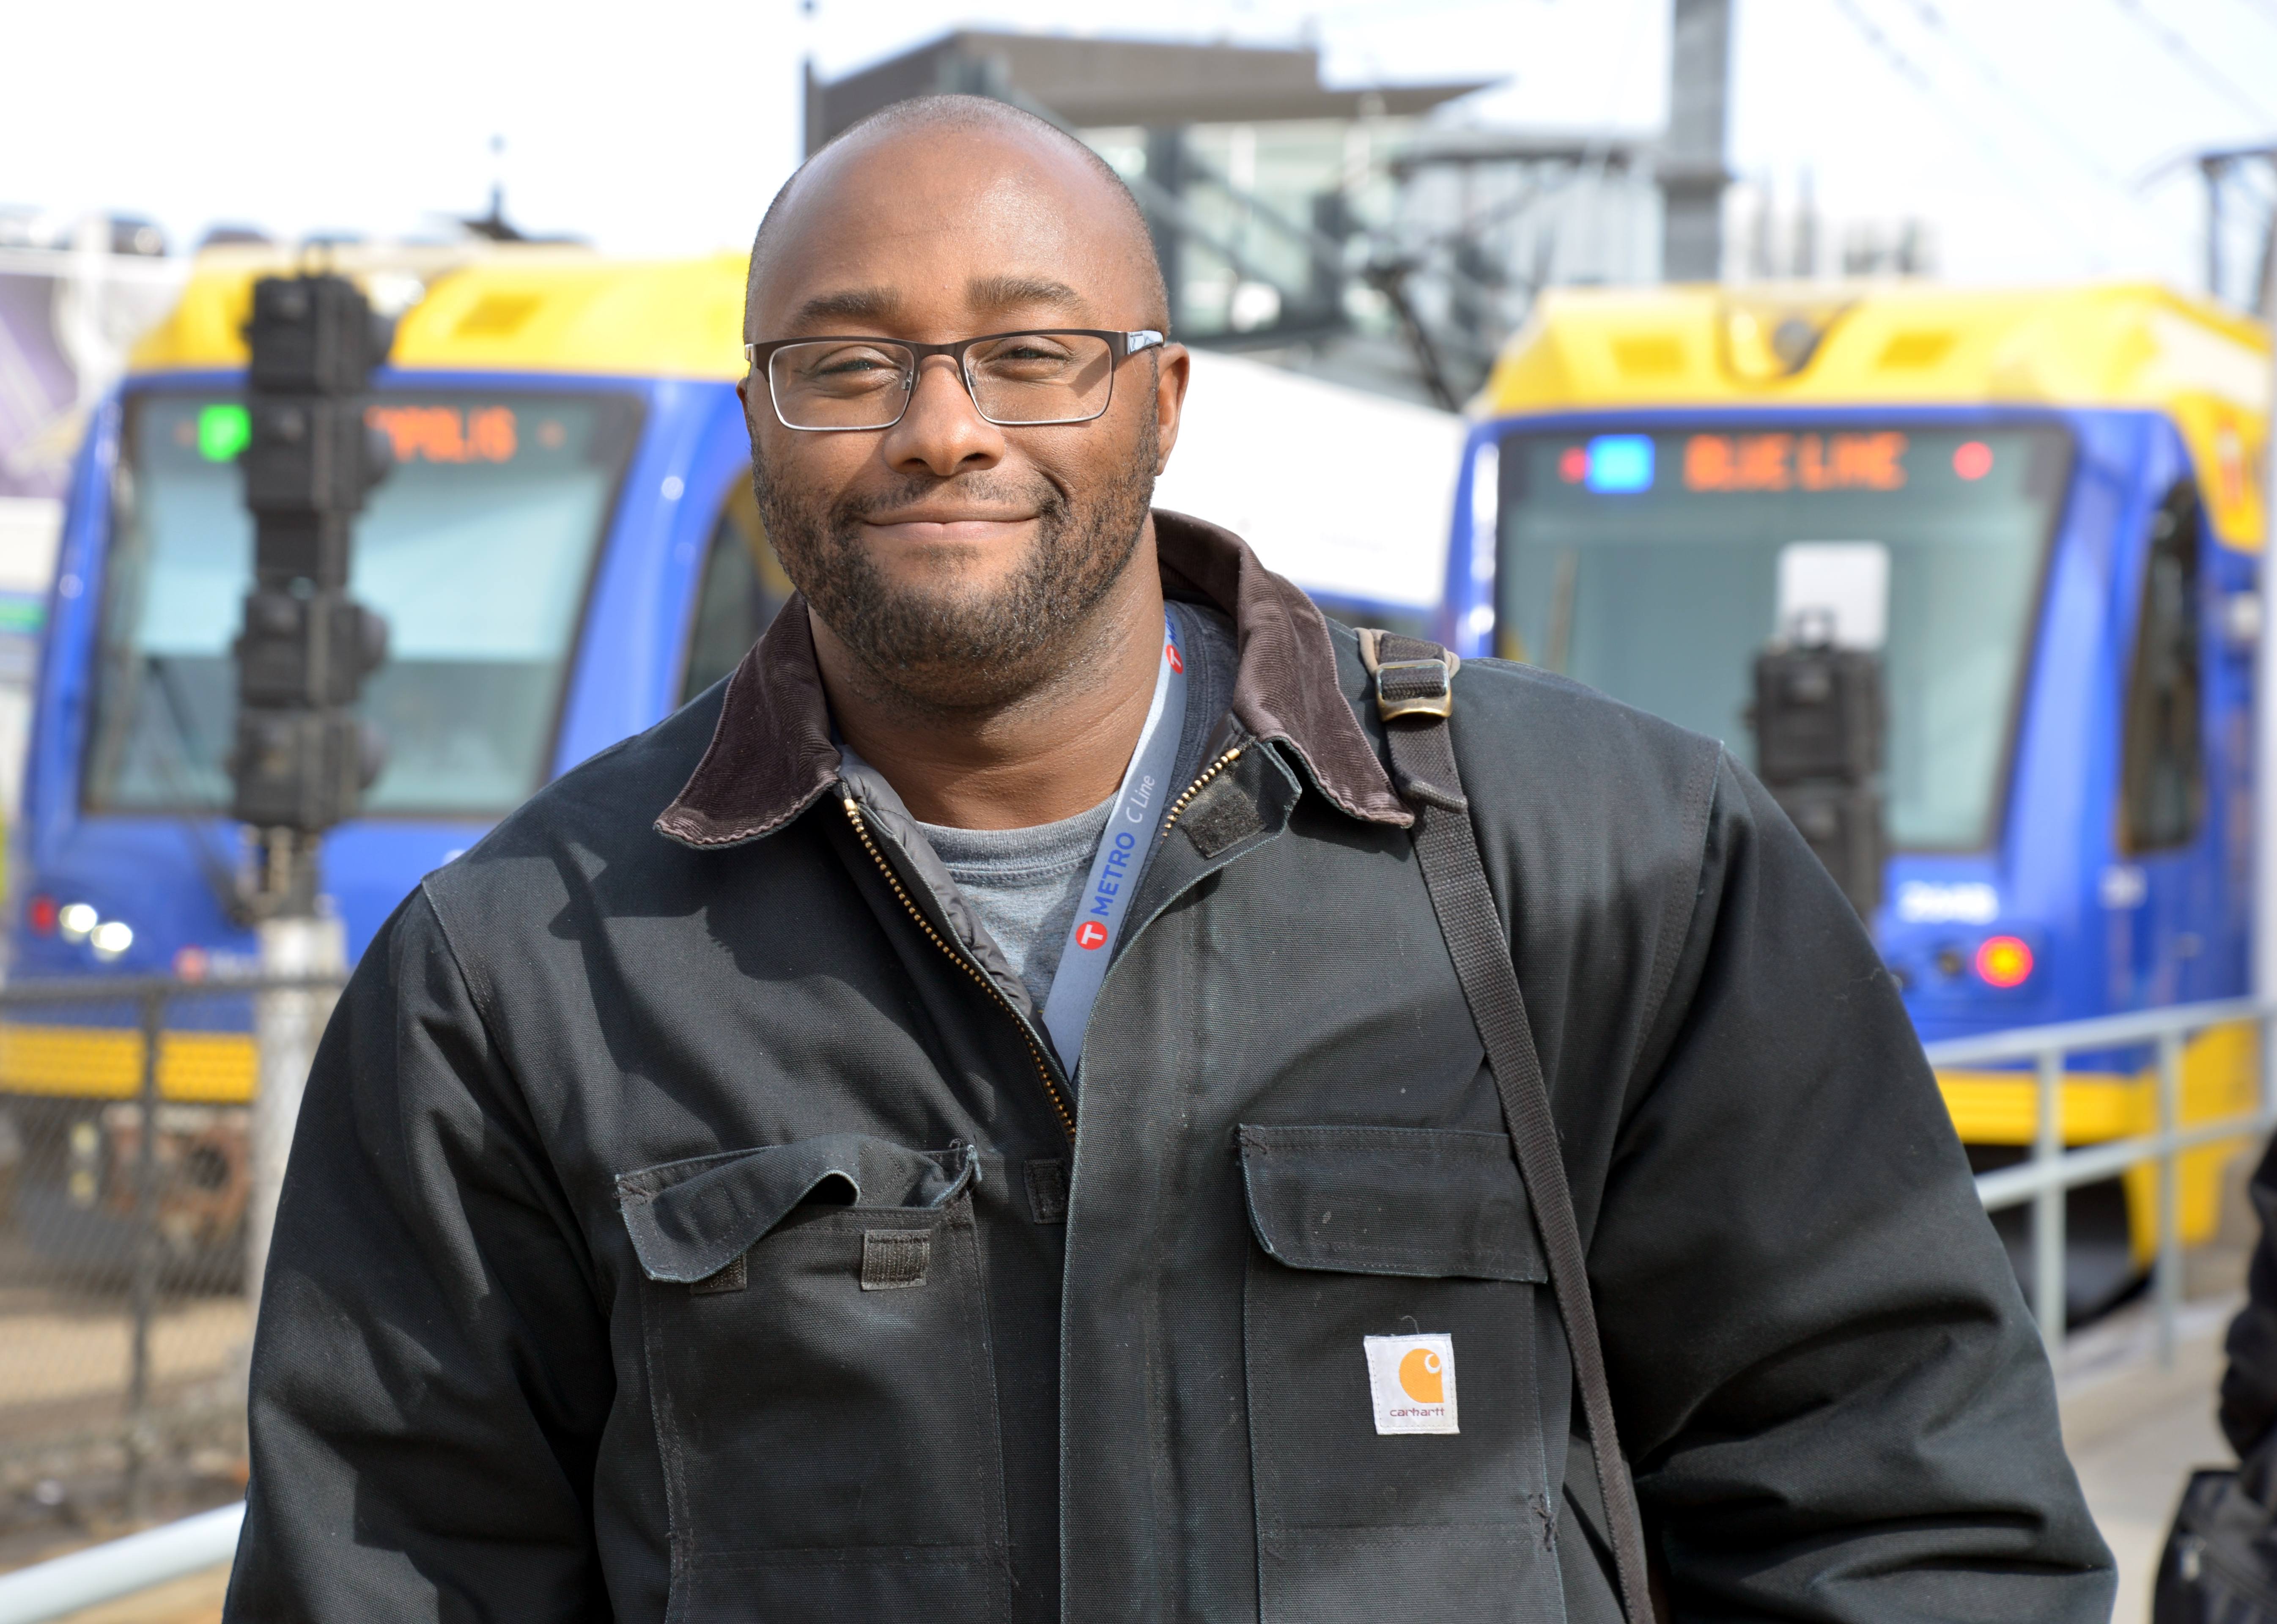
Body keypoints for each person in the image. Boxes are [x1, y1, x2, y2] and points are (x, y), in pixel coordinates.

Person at [226, 96, 2114, 1623]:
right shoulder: (521, 969)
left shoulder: (1600, 857)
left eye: (1029, 354)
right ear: (759, 429)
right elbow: (394, 1569)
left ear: (1159, 397)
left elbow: (1901, 1514)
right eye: (845, 365)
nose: (942, 429)